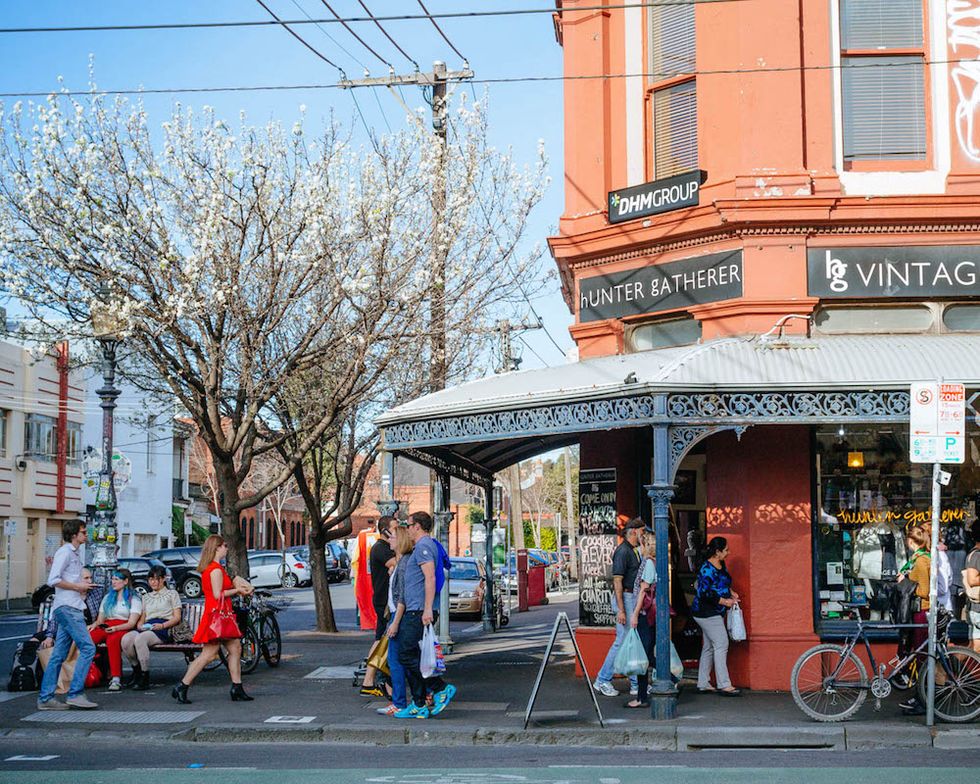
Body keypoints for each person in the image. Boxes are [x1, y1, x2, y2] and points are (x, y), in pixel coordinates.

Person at [173, 535, 254, 704]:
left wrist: (237, 584)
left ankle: (237, 687)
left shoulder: (212, 568)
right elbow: (218, 595)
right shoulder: (215, 569)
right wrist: (239, 591)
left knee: (235, 648)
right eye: (224, 545)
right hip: (218, 615)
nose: (226, 548)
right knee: (208, 655)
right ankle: (182, 685)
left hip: (217, 614)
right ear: (216, 548)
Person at [393, 511, 455, 719]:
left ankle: (439, 688)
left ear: (417, 526)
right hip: (415, 608)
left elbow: (429, 578)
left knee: (406, 655)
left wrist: (427, 609)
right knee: (409, 656)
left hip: (418, 610)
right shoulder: (420, 547)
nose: (407, 529)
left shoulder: (424, 547)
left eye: (408, 525)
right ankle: (419, 702)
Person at [37, 519, 99, 711]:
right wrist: (78, 586)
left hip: (68, 605)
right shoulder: (65, 553)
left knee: (59, 654)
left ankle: (46, 697)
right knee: (88, 648)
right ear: (74, 535)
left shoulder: (73, 553)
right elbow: (53, 579)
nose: (85, 535)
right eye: (83, 532)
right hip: (69, 607)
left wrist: (80, 588)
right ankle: (75, 693)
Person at [593, 518, 645, 697]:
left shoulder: (633, 551)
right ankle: (602, 680)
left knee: (631, 641)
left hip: (630, 597)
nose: (643, 535)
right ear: (633, 532)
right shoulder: (623, 552)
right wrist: (622, 609)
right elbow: (617, 581)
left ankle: (635, 683)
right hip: (626, 598)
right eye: (642, 532)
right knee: (622, 640)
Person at [691, 536, 740, 696]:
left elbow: (723, 583)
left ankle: (703, 683)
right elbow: (703, 592)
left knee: (709, 647)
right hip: (706, 612)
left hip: (712, 611)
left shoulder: (720, 564)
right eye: (726, 550)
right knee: (721, 644)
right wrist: (724, 601)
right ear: (718, 552)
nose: (728, 553)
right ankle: (724, 684)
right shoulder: (707, 569)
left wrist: (731, 592)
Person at [121, 564, 182, 690]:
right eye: (151, 579)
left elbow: (177, 617)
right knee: (126, 639)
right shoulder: (146, 597)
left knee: (140, 639)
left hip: (164, 627)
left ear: (163, 579)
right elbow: (142, 617)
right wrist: (140, 625)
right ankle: (136, 670)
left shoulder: (172, 594)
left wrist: (162, 625)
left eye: (156, 579)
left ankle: (145, 676)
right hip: (148, 626)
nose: (153, 582)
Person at [378, 524, 414, 716]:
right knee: (400, 660)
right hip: (396, 615)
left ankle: (400, 702)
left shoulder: (403, 564)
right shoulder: (400, 564)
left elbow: (402, 597)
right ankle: (408, 698)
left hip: (398, 616)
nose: (389, 541)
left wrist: (395, 622)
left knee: (396, 660)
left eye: (391, 538)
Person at [88, 568, 142, 691]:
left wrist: (116, 628)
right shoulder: (108, 597)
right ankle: (85, 672)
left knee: (113, 641)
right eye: (112, 579)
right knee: (88, 638)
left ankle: (116, 678)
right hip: (107, 625)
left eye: (116, 579)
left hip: (123, 626)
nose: (113, 582)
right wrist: (94, 625)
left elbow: (132, 623)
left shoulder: (133, 599)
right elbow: (101, 619)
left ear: (125, 581)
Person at [897, 526, 932, 715]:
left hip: (922, 611)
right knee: (920, 655)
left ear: (911, 542)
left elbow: (924, 591)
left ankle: (923, 699)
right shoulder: (920, 558)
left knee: (921, 657)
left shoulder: (920, 562)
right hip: (919, 611)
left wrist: (905, 581)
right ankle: (921, 696)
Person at [361, 516, 397, 697]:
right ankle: (369, 680)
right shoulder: (381, 549)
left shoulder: (383, 548)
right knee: (381, 640)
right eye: (394, 529)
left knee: (381, 639)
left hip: (385, 600)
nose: (397, 532)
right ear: (385, 531)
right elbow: (396, 564)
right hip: (384, 601)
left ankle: (370, 680)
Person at [627, 530, 658, 709]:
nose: (638, 546)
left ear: (646, 545)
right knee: (647, 655)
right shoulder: (654, 562)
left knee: (643, 657)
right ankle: (670, 675)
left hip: (645, 615)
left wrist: (635, 614)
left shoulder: (647, 563)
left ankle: (641, 697)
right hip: (651, 614)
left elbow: (643, 591)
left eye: (641, 543)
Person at [965, 520, 980, 656]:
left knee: (974, 649)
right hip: (978, 609)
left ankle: (947, 669)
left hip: (975, 609)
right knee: (974, 649)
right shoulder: (977, 555)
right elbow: (972, 579)